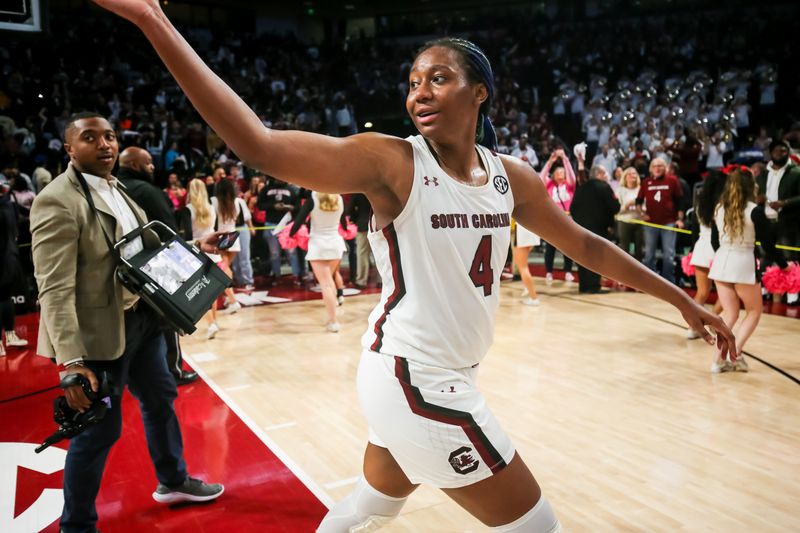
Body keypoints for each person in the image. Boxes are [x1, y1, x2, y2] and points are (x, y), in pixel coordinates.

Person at [93, 4, 733, 528]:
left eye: (438, 78)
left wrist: (682, 299)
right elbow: (257, 144)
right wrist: (155, 20)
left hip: (435, 371)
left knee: (370, 508)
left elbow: (588, 246)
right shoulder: (393, 162)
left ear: (480, 91)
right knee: (537, 526)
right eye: (413, 81)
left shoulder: (510, 176)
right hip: (413, 377)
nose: (419, 92)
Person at [30, 112, 224, 533]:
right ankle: (76, 526)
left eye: (110, 137)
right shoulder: (56, 200)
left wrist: (195, 245)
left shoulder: (118, 188)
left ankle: (173, 481)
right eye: (90, 138)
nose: (105, 145)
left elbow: (144, 250)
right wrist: (72, 362)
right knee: (98, 432)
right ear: (69, 148)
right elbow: (54, 289)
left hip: (141, 322)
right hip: (98, 339)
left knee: (160, 399)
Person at [117, 146, 198, 385]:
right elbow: (168, 231)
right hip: (154, 268)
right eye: (149, 162)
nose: (153, 166)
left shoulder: (113, 190)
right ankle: (174, 371)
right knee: (166, 322)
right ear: (134, 164)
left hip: (123, 272)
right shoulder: (146, 190)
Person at [708, 167, 787, 373]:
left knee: (729, 313)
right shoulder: (754, 210)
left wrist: (724, 255)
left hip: (720, 262)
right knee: (754, 311)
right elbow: (768, 244)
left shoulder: (719, 208)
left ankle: (717, 361)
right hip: (743, 263)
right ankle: (736, 355)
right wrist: (784, 265)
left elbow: (714, 241)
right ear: (750, 186)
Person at [290, 191, 347, 332]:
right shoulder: (339, 198)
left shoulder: (313, 199)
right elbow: (344, 225)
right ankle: (331, 318)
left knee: (326, 284)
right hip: (336, 244)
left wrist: (290, 234)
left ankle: (334, 322)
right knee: (330, 282)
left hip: (318, 245)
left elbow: (299, 221)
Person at [686, 171, 727, 340]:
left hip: (701, 247)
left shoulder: (699, 204)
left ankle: (692, 328)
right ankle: (709, 321)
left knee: (702, 293)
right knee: (726, 295)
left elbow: (694, 231)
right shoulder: (723, 205)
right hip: (718, 248)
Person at [570, 164, 620, 293]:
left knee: (583, 257)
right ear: (599, 174)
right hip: (599, 229)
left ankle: (583, 285)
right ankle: (593, 286)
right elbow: (615, 207)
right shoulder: (604, 187)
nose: (606, 176)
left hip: (581, 229)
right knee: (596, 257)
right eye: (605, 174)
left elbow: (572, 208)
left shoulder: (580, 188)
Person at [636, 157, 685, 283]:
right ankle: (649, 282)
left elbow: (680, 200)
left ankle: (667, 282)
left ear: (665, 168)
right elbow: (639, 200)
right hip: (650, 223)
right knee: (649, 255)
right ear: (651, 169)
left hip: (668, 222)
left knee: (669, 255)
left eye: (660, 166)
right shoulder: (646, 182)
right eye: (655, 166)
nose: (657, 168)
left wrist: (680, 219)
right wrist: (641, 213)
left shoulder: (672, 180)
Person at [186, 178, 223, 339]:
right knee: (211, 291)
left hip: (196, 250)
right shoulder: (211, 207)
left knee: (199, 293)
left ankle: (211, 323)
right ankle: (213, 321)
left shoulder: (188, 209)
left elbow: (187, 235)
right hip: (212, 251)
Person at [538, 148, 576, 284]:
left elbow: (572, 176)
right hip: (552, 219)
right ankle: (548, 272)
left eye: (563, 172)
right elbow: (539, 178)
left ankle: (568, 271)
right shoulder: (549, 184)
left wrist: (565, 159)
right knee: (550, 247)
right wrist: (549, 162)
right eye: (559, 172)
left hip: (567, 218)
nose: (562, 174)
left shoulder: (569, 185)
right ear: (553, 174)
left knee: (568, 247)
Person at [212, 178, 249, 313]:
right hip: (233, 237)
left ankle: (233, 301)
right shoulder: (238, 201)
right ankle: (229, 298)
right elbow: (241, 220)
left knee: (223, 270)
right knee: (227, 268)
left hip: (221, 237)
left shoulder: (213, 201)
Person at [0, 180, 28, 355]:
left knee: (2, 298)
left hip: (4, 256)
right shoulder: (10, 206)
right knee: (5, 297)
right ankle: (10, 336)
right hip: (10, 257)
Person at [347, 192, 373, 288]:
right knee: (380, 253)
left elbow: (350, 209)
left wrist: (354, 218)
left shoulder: (358, 191)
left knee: (362, 253)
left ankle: (361, 280)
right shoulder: (377, 187)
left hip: (363, 224)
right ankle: (381, 281)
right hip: (378, 223)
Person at [616, 167, 643, 261]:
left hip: (639, 222)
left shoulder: (641, 189)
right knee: (624, 250)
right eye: (630, 174)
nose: (632, 175)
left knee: (639, 250)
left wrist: (640, 208)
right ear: (625, 177)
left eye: (634, 173)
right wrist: (627, 205)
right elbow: (616, 210)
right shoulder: (619, 190)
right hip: (624, 221)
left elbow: (646, 207)